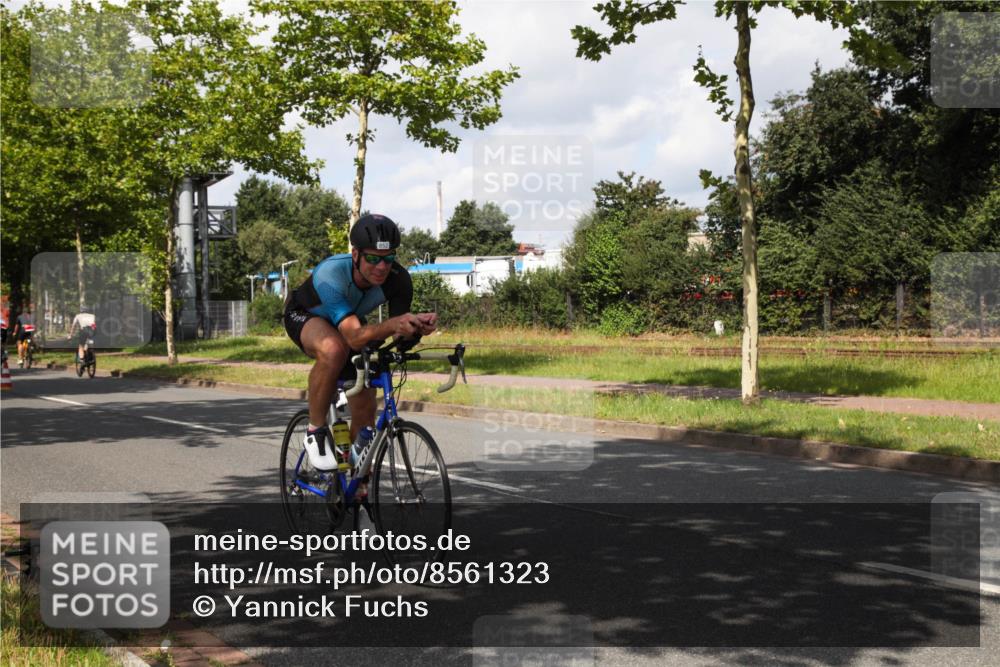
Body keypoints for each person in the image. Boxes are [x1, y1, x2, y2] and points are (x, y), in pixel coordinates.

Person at [283, 213, 437, 472]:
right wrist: (393, 324)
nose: (382, 267)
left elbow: (398, 336)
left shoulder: (399, 279)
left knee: (366, 408)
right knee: (334, 348)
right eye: (373, 258)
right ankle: (315, 431)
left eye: (388, 258)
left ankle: (358, 485)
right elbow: (353, 336)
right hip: (306, 315)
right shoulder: (331, 273)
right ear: (355, 255)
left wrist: (417, 329)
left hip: (349, 321)